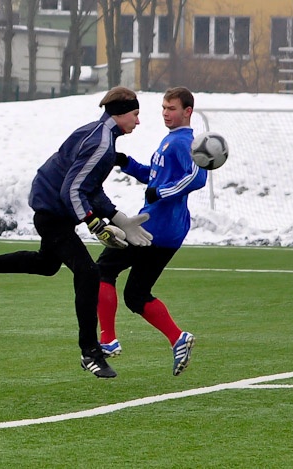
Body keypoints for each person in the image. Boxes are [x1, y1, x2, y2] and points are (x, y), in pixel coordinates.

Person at [0, 86, 153, 379]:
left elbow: (88, 187)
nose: (138, 121)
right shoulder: (101, 142)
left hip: (53, 207)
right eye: (136, 114)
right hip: (52, 211)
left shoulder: (102, 136)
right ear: (121, 113)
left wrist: (116, 216)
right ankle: (90, 352)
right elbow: (72, 189)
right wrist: (92, 221)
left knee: (46, 264)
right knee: (88, 272)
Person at [95, 86, 207, 376]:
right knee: (136, 294)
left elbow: (197, 177)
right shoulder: (171, 140)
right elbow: (155, 177)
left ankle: (107, 340)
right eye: (164, 108)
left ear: (188, 112)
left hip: (155, 229)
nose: (166, 114)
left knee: (102, 270)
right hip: (166, 231)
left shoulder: (184, 142)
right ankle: (177, 338)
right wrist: (128, 164)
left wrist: (164, 193)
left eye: (172, 109)